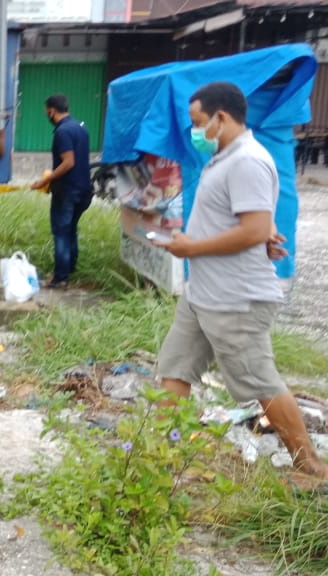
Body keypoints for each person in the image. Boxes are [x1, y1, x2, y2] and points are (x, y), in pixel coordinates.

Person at [153, 82, 328, 486]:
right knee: (174, 369)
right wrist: (255, 240)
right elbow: (254, 227)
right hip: (203, 295)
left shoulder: (248, 160)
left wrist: (192, 248)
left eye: (199, 123)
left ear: (222, 118)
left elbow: (252, 229)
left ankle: (311, 467)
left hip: (235, 300)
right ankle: (158, 457)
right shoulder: (223, 158)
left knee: (259, 380)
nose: (195, 131)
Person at [31, 94, 92, 288]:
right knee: (71, 229)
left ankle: (60, 278)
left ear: (51, 111)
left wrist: (45, 180)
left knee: (61, 233)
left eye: (46, 112)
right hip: (84, 189)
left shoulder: (63, 132)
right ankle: (69, 268)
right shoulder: (81, 127)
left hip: (67, 192)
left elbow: (68, 162)